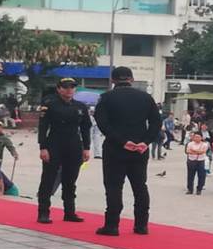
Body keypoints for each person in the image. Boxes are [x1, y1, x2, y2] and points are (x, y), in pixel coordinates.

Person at [94, 67, 161, 236]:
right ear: (131, 79)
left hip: (115, 148)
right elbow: (156, 122)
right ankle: (141, 225)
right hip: (139, 150)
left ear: (113, 80)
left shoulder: (106, 98)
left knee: (114, 187)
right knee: (140, 186)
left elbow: (102, 123)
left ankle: (112, 225)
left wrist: (122, 142)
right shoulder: (146, 98)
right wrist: (145, 142)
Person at [36, 78, 91, 224]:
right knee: (48, 179)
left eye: (72, 87)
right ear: (59, 89)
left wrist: (86, 148)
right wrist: (43, 147)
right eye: (66, 87)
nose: (69, 90)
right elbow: (43, 127)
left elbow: (85, 128)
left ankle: (69, 212)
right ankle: (43, 212)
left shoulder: (80, 106)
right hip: (54, 144)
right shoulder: (50, 104)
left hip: (74, 145)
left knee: (70, 180)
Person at [185, 131, 209, 195]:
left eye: (198, 137)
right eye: (195, 137)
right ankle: (190, 189)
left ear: (201, 137)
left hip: (201, 161)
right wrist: (197, 151)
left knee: (201, 176)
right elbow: (188, 151)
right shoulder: (190, 144)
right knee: (190, 176)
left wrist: (193, 151)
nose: (197, 138)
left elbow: (203, 152)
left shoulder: (205, 144)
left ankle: (199, 189)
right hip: (191, 160)